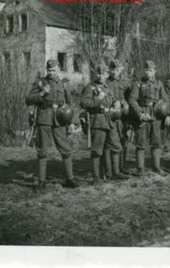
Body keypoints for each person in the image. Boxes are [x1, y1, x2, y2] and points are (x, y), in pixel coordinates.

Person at [25, 59, 76, 190]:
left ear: (58, 70)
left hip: (60, 119)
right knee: (42, 150)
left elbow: (70, 103)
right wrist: (42, 93)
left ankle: (70, 179)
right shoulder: (40, 82)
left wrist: (71, 122)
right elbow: (28, 99)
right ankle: (41, 181)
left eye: (53, 70)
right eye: (49, 70)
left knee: (65, 148)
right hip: (44, 119)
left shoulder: (64, 84)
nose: (51, 72)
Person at [80, 63, 128, 183]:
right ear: (95, 74)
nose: (101, 76)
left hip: (109, 120)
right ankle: (96, 177)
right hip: (97, 120)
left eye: (104, 73)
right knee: (97, 150)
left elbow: (111, 100)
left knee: (116, 145)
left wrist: (116, 103)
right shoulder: (90, 87)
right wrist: (98, 98)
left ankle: (115, 173)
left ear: (107, 75)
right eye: (99, 73)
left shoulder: (107, 87)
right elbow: (84, 103)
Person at [129, 60, 169, 175]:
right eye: (146, 70)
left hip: (156, 116)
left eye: (150, 70)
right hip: (143, 115)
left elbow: (165, 100)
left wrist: (166, 115)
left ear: (155, 71)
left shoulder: (159, 84)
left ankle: (156, 167)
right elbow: (132, 100)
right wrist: (139, 113)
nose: (148, 73)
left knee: (156, 142)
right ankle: (140, 168)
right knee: (141, 143)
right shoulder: (138, 83)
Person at [106, 59, 132, 174]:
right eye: (112, 69)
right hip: (110, 116)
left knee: (123, 140)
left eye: (117, 69)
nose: (114, 72)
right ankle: (110, 169)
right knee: (111, 142)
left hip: (123, 117)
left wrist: (124, 102)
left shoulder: (126, 83)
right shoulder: (106, 82)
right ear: (109, 69)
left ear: (121, 69)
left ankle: (122, 166)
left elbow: (130, 98)